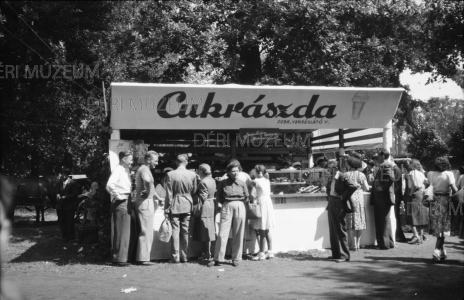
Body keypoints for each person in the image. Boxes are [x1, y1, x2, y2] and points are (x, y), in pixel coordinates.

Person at [209, 162, 249, 267]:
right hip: (227, 205)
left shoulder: (242, 182)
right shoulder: (223, 183)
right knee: (222, 232)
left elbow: (247, 196)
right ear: (228, 172)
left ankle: (236, 258)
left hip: (240, 205)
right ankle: (217, 258)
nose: (235, 173)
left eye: (237, 171)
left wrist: (240, 204)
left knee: (238, 233)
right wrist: (223, 204)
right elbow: (219, 196)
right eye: (233, 171)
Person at [164, 154, 198, 263]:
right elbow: (194, 190)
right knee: (185, 231)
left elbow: (169, 194)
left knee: (175, 230)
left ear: (176, 162)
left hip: (175, 203)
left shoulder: (170, 174)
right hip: (187, 203)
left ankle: (175, 256)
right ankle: (185, 256)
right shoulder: (193, 175)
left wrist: (166, 208)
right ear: (186, 162)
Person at [325, 160, 358, 262]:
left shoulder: (342, 176)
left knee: (340, 229)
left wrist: (342, 197)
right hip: (332, 202)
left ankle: (344, 255)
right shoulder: (332, 177)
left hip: (338, 203)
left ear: (335, 168)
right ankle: (336, 254)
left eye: (330, 168)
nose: (328, 170)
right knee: (333, 229)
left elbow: (353, 186)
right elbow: (329, 188)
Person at [426, 157, 458, 262]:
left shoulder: (430, 174)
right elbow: (454, 189)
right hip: (445, 201)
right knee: (443, 227)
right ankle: (436, 250)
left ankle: (443, 252)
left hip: (434, 200)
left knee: (437, 225)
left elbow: (427, 186)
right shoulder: (449, 174)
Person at [134, 151, 162, 265]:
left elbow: (151, 186)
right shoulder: (145, 170)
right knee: (146, 231)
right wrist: (147, 190)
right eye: (155, 161)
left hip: (145, 202)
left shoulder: (144, 169)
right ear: (148, 159)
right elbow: (147, 180)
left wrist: (158, 197)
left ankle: (143, 257)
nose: (157, 163)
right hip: (145, 203)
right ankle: (143, 258)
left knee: (146, 230)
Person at [106, 150, 134, 267]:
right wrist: (119, 196)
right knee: (122, 230)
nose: (132, 161)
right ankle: (119, 259)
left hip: (125, 200)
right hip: (122, 201)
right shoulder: (118, 170)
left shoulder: (123, 170)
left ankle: (121, 257)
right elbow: (109, 184)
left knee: (124, 230)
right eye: (130, 159)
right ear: (124, 159)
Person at [371, 149, 395, 250]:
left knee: (383, 220)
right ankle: (388, 242)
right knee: (384, 219)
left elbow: (390, 178)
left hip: (382, 197)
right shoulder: (384, 165)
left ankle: (384, 244)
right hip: (381, 197)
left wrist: (382, 188)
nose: (377, 157)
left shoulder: (385, 165)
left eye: (378, 156)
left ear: (382, 156)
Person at [250, 165, 276, 261]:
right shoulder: (266, 180)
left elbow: (252, 194)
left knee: (262, 230)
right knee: (267, 229)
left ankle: (261, 253)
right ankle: (270, 251)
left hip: (261, 204)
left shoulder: (256, 181)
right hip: (268, 203)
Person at [192, 164, 217, 261]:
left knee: (204, 230)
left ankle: (206, 252)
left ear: (201, 171)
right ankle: (207, 252)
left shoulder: (203, 182)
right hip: (211, 205)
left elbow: (202, 197)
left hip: (205, 206)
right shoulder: (212, 180)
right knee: (209, 229)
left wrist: (192, 196)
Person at [344, 157, 370, 251]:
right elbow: (366, 188)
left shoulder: (346, 175)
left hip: (350, 198)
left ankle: (353, 244)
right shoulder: (362, 175)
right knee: (360, 220)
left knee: (351, 221)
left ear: (350, 164)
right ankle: (358, 243)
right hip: (359, 198)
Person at [404, 159, 429, 245]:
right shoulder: (421, 173)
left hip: (415, 194)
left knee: (412, 216)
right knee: (420, 216)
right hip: (421, 194)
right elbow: (427, 182)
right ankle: (421, 236)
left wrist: (410, 194)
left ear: (412, 165)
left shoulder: (411, 173)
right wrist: (422, 187)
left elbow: (412, 185)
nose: (408, 165)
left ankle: (416, 236)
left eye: (410, 163)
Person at [56, 167, 80, 241]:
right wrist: (57, 195)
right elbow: (57, 191)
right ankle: (64, 237)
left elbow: (75, 194)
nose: (62, 175)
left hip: (69, 206)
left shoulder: (73, 183)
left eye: (64, 174)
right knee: (62, 221)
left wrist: (65, 197)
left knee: (69, 222)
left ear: (67, 175)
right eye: (62, 174)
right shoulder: (59, 182)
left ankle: (71, 237)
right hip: (60, 206)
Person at [391, 156, 407, 243]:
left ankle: (399, 235)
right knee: (396, 216)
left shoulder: (395, 169)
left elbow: (395, 184)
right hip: (397, 195)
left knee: (396, 216)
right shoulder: (396, 169)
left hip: (396, 196)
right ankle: (398, 235)